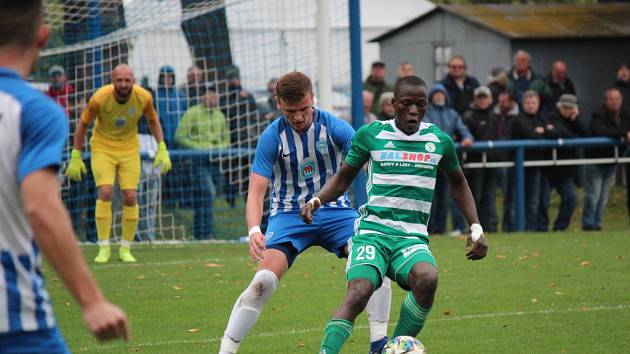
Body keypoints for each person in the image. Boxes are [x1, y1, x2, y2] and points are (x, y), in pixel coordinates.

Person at [301, 75, 488, 354]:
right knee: (360, 291)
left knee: (428, 278)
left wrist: (476, 227)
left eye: (420, 105)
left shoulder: (439, 141)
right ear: (393, 104)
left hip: (410, 239)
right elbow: (343, 178)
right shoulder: (371, 135)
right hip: (372, 235)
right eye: (407, 104)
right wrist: (317, 200)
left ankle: (392, 349)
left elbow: (458, 183)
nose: (414, 111)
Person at [219, 72, 392, 354]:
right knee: (261, 282)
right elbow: (256, 191)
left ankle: (379, 344)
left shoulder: (336, 128)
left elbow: (370, 167)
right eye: (291, 111)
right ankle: (226, 350)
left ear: (312, 98)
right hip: (288, 216)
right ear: (278, 104)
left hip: (335, 212)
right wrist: (254, 230)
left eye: (303, 109)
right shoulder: (271, 137)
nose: (298, 117)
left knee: (374, 267)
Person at [0, 1, 130, 351]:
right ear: (43, 36)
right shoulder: (34, 110)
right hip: (14, 321)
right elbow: (41, 207)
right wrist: (92, 302)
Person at [65, 64, 172, 263]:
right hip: (102, 147)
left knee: (130, 196)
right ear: (112, 81)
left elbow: (153, 120)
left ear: (133, 81)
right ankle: (103, 247)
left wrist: (162, 147)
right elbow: (82, 125)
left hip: (129, 148)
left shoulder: (144, 97)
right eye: (119, 80)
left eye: (127, 80)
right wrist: (76, 155)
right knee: (105, 191)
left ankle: (125, 248)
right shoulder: (99, 98)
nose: (123, 84)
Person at [175, 85, 229, 239]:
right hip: (197, 162)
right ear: (202, 97)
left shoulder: (220, 115)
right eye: (210, 95)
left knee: (205, 198)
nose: (213, 98)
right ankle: (208, 233)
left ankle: (200, 233)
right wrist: (199, 148)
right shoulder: (192, 113)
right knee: (208, 193)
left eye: (216, 95)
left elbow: (226, 139)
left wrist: (219, 148)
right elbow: (179, 136)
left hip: (215, 161)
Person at [424, 83, 473, 236]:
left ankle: (442, 227)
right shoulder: (427, 113)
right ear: (432, 97)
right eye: (436, 94)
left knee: (445, 195)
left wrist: (467, 138)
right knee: (429, 196)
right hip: (430, 160)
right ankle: (430, 227)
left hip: (446, 160)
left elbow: (463, 130)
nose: (439, 97)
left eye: (442, 94)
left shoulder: (452, 114)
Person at [538, 94, 588, 231]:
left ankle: (560, 228)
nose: (567, 110)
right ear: (559, 106)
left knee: (571, 198)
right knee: (543, 201)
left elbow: (585, 134)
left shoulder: (573, 120)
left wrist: (576, 119)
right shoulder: (550, 116)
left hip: (565, 170)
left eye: (570, 108)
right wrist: (571, 137)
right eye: (565, 107)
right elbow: (555, 133)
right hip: (548, 168)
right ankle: (541, 228)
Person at [582, 88, 630, 231]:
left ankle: (598, 224)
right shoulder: (598, 115)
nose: (615, 102)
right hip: (595, 160)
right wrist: (623, 134)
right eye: (612, 99)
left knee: (603, 198)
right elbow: (601, 131)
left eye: (617, 99)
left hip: (611, 161)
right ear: (606, 100)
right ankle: (588, 224)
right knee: (593, 195)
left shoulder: (625, 115)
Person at [509, 90, 555, 231]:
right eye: (528, 103)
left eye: (534, 102)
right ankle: (514, 228)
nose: (531, 105)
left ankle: (531, 228)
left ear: (538, 104)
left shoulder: (542, 118)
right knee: (515, 199)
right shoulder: (517, 119)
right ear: (523, 104)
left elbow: (554, 133)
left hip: (536, 165)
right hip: (518, 166)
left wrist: (544, 131)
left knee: (534, 200)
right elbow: (530, 134)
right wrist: (541, 131)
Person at [462, 86, 499, 232]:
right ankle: (474, 227)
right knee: (475, 196)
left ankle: (489, 227)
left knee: (489, 196)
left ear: (490, 99)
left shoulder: (495, 117)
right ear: (475, 100)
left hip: (491, 162)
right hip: (475, 163)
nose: (482, 100)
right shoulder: (468, 116)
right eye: (480, 97)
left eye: (485, 97)